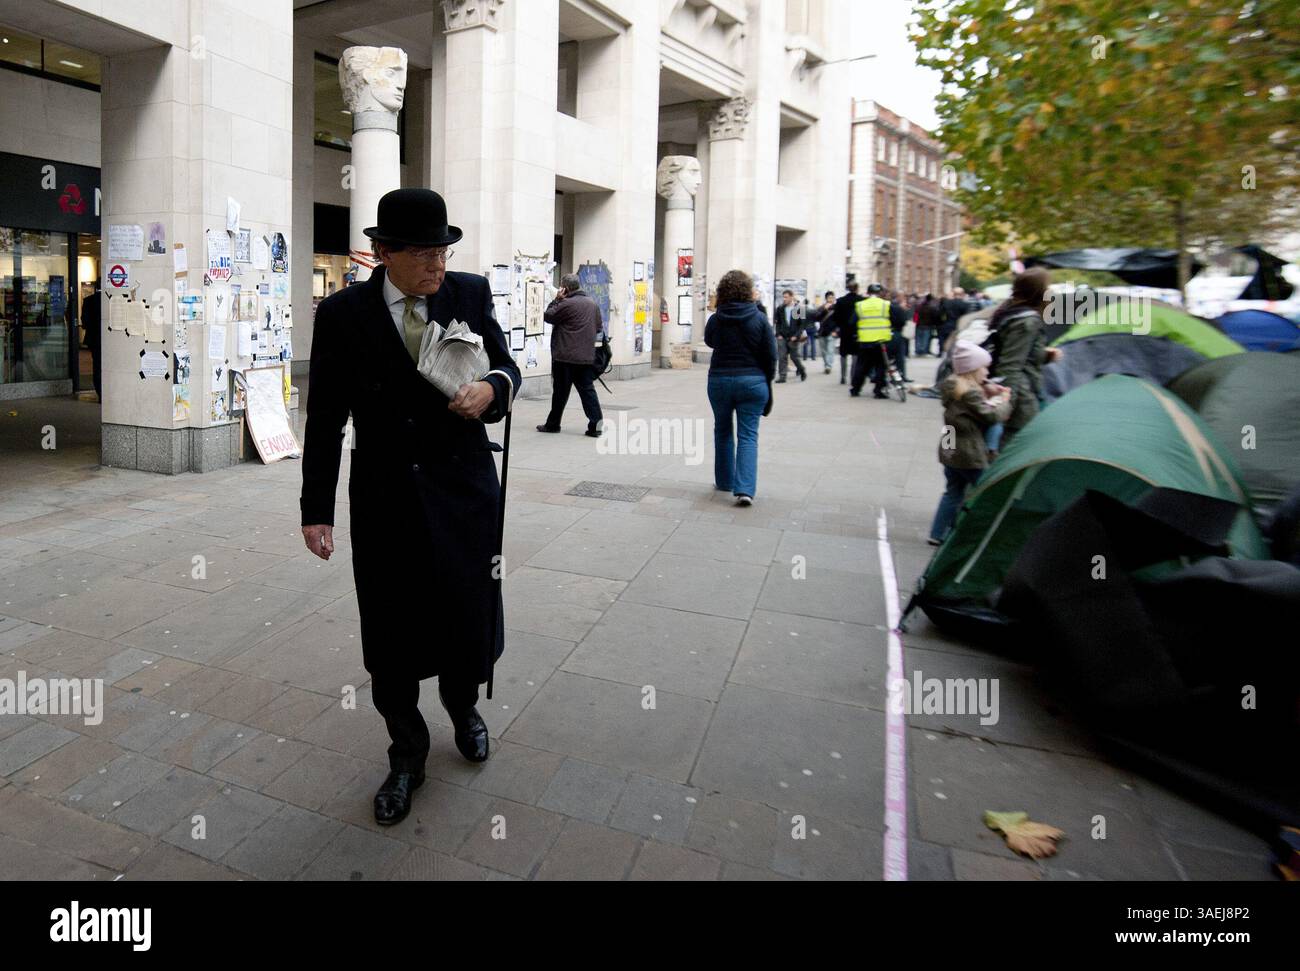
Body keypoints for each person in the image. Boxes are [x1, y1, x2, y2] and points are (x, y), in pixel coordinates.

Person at [300, 188, 523, 826]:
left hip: (463, 491)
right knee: (392, 628)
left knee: (466, 608)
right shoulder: (343, 315)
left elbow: (506, 368)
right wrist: (317, 509)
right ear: (383, 253)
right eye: (423, 252)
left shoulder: (469, 296)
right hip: (386, 495)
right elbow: (324, 419)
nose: (438, 264)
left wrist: (491, 390)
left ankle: (463, 708)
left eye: (444, 250)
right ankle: (407, 753)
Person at [927, 340, 1013, 545]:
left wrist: (989, 394)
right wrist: (1004, 401)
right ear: (973, 369)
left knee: (952, 491)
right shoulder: (971, 393)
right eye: (984, 367)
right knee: (986, 492)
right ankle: (981, 535)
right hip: (968, 452)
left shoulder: (953, 387)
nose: (987, 372)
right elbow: (991, 417)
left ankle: (937, 534)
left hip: (949, 447)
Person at [705, 269, 776, 507]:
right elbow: (770, 354)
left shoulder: (716, 318)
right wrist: (767, 380)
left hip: (720, 381)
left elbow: (710, 341)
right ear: (748, 291)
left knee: (722, 430)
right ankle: (744, 489)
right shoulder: (758, 319)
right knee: (748, 435)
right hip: (752, 381)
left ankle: (724, 481)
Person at [989, 267, 1062, 448]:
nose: (1051, 291)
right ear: (1038, 290)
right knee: (1014, 447)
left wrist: (1044, 355)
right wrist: (1007, 404)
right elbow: (1010, 365)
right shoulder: (1027, 321)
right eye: (1048, 286)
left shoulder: (1012, 312)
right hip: (1022, 394)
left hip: (1023, 389)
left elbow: (1013, 353)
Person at [537, 272, 603, 438]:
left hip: (565, 357)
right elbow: (599, 327)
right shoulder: (592, 304)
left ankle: (553, 424)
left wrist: (557, 299)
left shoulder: (566, 303)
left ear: (564, 288)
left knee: (560, 392)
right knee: (588, 392)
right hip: (586, 357)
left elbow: (548, 316)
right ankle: (596, 426)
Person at [850, 283, 892, 398]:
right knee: (880, 367)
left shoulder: (860, 305)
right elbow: (894, 319)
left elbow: (852, 322)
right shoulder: (885, 304)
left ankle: (855, 389)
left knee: (861, 366)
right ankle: (878, 391)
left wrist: (856, 334)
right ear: (880, 293)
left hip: (865, 341)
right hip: (881, 340)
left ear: (868, 293)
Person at [773, 288, 807, 383]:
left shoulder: (798, 308)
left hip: (793, 337)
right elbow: (778, 322)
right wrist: (778, 334)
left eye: (786, 297)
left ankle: (802, 370)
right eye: (783, 297)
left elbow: (801, 325)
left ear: (792, 297)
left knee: (794, 357)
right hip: (782, 336)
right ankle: (782, 376)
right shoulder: (780, 308)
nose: (784, 299)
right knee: (782, 356)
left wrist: (796, 335)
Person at [833, 281, 861, 384]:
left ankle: (843, 376)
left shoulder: (841, 301)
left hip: (844, 331)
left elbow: (835, 317)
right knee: (855, 354)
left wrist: (839, 327)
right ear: (857, 288)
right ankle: (852, 376)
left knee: (843, 354)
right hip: (857, 331)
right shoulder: (861, 300)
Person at [80, 279, 102, 399]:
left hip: (93, 339)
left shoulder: (88, 301)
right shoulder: (110, 301)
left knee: (97, 366)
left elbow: (84, 322)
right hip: (108, 340)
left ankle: (100, 393)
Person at [815, 290, 838, 374]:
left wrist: (837, 331)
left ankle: (828, 366)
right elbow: (816, 318)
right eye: (829, 298)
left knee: (830, 350)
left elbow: (840, 320)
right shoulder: (821, 307)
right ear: (826, 298)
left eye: (832, 297)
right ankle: (826, 364)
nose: (831, 299)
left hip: (832, 332)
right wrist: (824, 310)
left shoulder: (837, 308)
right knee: (824, 351)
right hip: (822, 332)